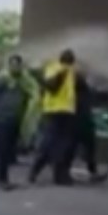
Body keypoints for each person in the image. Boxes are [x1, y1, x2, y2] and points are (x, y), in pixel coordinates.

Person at [0, 54, 38, 190]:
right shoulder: (3, 79)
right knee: (4, 150)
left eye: (17, 65)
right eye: (12, 64)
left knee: (10, 149)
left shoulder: (24, 80)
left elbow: (32, 94)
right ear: (9, 65)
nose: (15, 67)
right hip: (3, 118)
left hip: (17, 118)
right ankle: (2, 180)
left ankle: (5, 179)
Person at [29, 49, 80, 186]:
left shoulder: (60, 69)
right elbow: (52, 87)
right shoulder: (61, 69)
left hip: (58, 110)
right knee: (57, 144)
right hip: (59, 111)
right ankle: (46, 173)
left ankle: (43, 173)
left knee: (56, 144)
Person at [73, 70, 108, 183]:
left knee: (86, 147)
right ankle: (93, 172)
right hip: (81, 121)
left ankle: (92, 171)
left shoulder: (81, 88)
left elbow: (96, 95)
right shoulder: (81, 88)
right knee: (86, 147)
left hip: (80, 121)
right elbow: (94, 95)